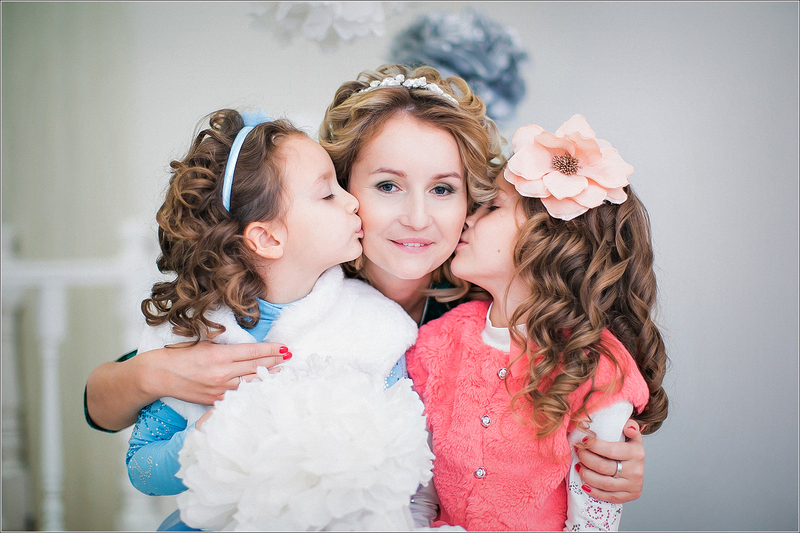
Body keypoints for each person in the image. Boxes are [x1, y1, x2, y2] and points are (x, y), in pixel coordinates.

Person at [84, 64, 648, 515]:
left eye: (443, 189)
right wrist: (151, 373)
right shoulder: (289, 291)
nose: (417, 218)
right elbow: (101, 405)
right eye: (387, 186)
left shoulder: (489, 314)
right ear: (343, 187)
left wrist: (611, 464)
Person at [125, 108, 429, 530]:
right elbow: (141, 469)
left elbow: (404, 457)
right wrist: (210, 436)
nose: (352, 201)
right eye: (328, 194)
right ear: (267, 238)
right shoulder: (194, 334)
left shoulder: (375, 327)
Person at [405, 114, 669, 531]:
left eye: (492, 207)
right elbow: (418, 492)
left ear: (550, 242)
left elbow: (592, 522)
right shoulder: (437, 342)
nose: (466, 218)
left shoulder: (595, 369)